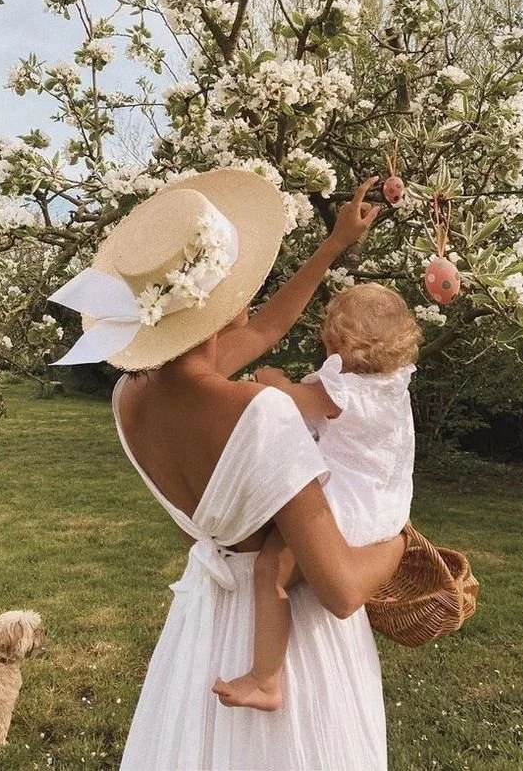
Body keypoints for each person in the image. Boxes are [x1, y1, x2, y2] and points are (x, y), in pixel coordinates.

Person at [49, 169, 405, 770]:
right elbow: (342, 589)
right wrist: (395, 543)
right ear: (220, 301)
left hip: (206, 630)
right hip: (293, 646)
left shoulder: (132, 398)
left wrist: (334, 244)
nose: (253, 291)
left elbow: (266, 327)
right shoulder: (259, 413)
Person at [214, 283, 422, 711]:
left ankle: (265, 679)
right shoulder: (392, 382)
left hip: (349, 506)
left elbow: (286, 402)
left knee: (271, 567)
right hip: (386, 504)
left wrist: (271, 379)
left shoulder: (341, 391)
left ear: (334, 342)